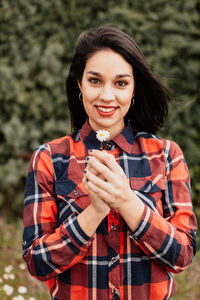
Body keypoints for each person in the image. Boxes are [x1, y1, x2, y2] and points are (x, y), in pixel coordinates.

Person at [23, 26, 197, 300]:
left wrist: (127, 201)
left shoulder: (166, 155)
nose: (106, 96)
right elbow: (37, 263)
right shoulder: (49, 158)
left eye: (120, 83)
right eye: (95, 80)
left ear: (134, 88)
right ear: (79, 84)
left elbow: (183, 255)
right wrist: (94, 212)